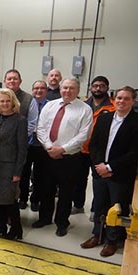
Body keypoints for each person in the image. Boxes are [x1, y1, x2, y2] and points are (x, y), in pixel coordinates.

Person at [80, 86, 138, 257]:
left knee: (117, 207)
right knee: (99, 205)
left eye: (126, 98)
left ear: (132, 101)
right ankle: (97, 234)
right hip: (99, 171)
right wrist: (99, 165)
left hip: (120, 174)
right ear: (114, 99)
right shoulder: (104, 119)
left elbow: (135, 152)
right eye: (119, 98)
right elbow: (94, 144)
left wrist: (110, 167)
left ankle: (112, 241)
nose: (121, 101)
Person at [35, 78, 93, 236]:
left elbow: (83, 135)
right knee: (46, 189)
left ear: (78, 90)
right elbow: (40, 128)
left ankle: (62, 222)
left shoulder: (85, 109)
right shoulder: (50, 105)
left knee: (66, 192)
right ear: (60, 89)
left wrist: (62, 149)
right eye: (65, 88)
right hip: (48, 155)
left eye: (71, 88)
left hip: (70, 158)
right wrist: (49, 147)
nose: (67, 91)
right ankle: (45, 218)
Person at [0, 89, 28, 240]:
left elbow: (22, 148)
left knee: (10, 199)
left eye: (8, 101)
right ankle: (1, 227)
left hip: (10, 165)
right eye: (2, 101)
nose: (5, 104)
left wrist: (17, 172)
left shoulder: (20, 120)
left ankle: (16, 229)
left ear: (13, 102)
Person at [72, 76, 116, 216]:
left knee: (99, 181)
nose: (98, 88)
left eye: (102, 86)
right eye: (95, 85)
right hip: (82, 148)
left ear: (107, 88)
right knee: (79, 179)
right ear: (90, 88)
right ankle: (78, 205)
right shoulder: (83, 105)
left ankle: (95, 210)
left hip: (100, 151)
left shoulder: (113, 106)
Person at [18, 80, 49, 212]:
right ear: (32, 90)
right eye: (36, 88)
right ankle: (23, 198)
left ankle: (35, 199)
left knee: (39, 175)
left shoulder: (50, 106)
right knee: (23, 173)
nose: (39, 91)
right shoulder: (27, 103)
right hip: (27, 144)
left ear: (46, 91)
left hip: (42, 146)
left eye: (42, 88)